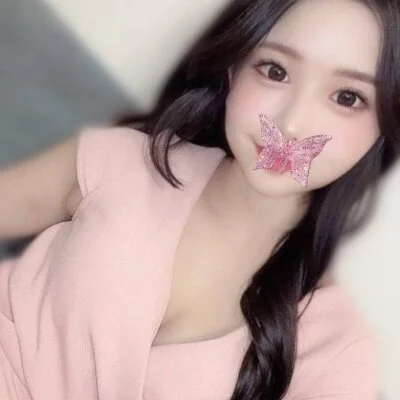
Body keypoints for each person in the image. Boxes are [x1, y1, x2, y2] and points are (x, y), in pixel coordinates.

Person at [0, 0, 399, 398]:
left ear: (384, 123)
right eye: (275, 70)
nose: (292, 124)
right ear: (234, 68)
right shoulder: (122, 161)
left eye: (347, 97)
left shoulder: (335, 352)